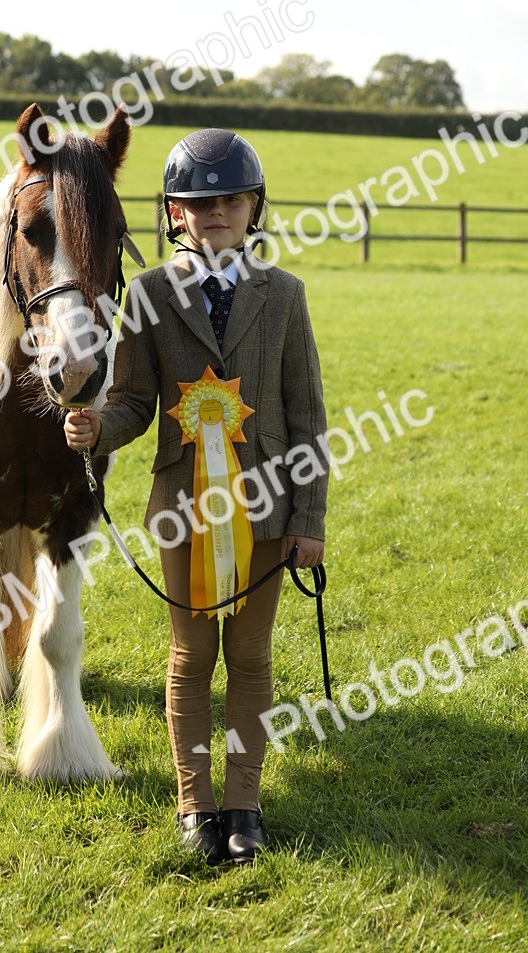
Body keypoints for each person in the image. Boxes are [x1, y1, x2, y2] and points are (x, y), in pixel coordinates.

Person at [64, 128, 328, 866]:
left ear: (253, 209)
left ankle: (243, 801)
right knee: (190, 658)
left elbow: (307, 416)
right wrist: (96, 431)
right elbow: (133, 402)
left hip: (270, 511)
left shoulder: (286, 297)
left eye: (230, 201)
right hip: (184, 512)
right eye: (198, 203)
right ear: (173, 214)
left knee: (250, 658)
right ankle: (194, 803)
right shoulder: (147, 296)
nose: (215, 213)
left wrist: (311, 519)